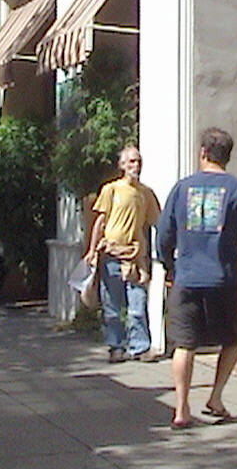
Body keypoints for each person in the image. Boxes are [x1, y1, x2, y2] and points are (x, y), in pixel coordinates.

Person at [157, 127, 237, 429]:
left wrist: (168, 265)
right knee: (233, 339)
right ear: (227, 156)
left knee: (183, 343)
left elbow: (164, 232)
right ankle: (216, 395)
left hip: (187, 277)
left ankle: (181, 409)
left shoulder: (181, 188)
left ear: (202, 152)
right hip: (224, 278)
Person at [84, 145, 161, 363]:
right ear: (121, 165)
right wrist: (91, 250)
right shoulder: (111, 190)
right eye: (131, 162)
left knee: (137, 304)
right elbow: (100, 221)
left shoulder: (146, 193)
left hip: (135, 257)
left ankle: (140, 347)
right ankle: (115, 347)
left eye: (138, 161)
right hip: (111, 255)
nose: (136, 166)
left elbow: (157, 222)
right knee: (112, 306)